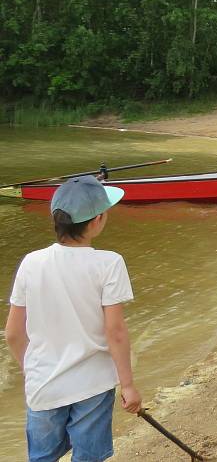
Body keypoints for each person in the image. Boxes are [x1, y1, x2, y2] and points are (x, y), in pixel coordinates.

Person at [5, 176, 141, 462]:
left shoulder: (31, 262)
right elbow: (115, 331)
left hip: (43, 383)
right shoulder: (109, 263)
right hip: (92, 382)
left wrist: (31, 370)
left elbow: (14, 333)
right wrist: (127, 385)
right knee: (88, 457)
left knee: (42, 457)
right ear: (97, 220)